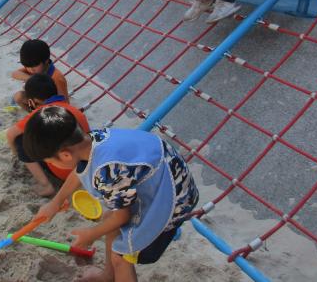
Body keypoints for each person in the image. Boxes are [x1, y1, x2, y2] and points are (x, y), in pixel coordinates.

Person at [24, 106, 199, 282]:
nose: (52, 165)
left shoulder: (107, 171)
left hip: (172, 202)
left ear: (65, 155)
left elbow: (123, 216)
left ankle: (115, 273)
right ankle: (108, 276)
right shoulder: (93, 139)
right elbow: (79, 171)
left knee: (121, 256)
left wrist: (91, 234)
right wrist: (56, 202)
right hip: (167, 179)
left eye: (50, 161)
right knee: (110, 218)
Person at [6, 74, 90, 196]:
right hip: (85, 168)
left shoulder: (43, 114)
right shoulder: (72, 109)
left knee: (21, 141)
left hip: (65, 169)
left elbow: (10, 134)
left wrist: (16, 153)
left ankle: (45, 185)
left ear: (32, 101)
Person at [12, 39, 68, 111]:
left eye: (34, 65)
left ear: (46, 61)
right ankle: (32, 113)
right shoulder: (34, 68)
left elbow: (65, 103)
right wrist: (32, 80)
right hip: (36, 103)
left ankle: (40, 114)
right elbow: (15, 74)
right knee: (18, 96)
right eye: (27, 66)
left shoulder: (56, 77)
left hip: (51, 106)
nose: (31, 69)